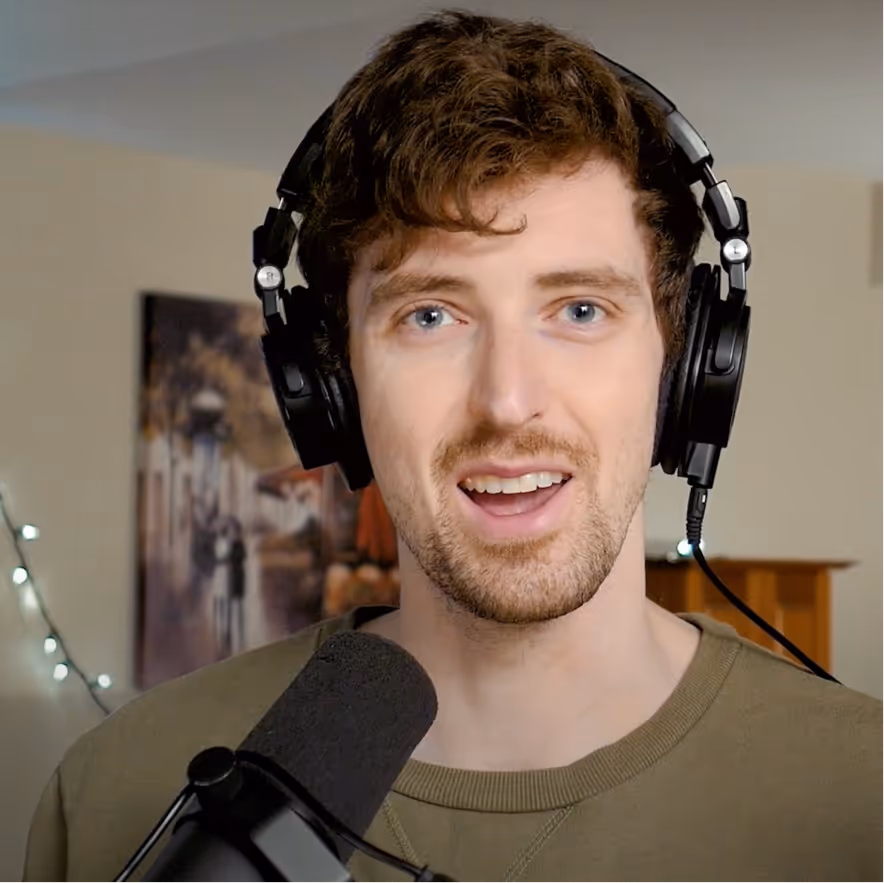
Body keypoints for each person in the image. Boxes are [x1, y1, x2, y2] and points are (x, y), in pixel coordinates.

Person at [22, 10, 884, 883]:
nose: (507, 401)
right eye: (430, 315)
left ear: (686, 359)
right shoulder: (114, 790)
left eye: (580, 310)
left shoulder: (862, 795)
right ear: (332, 379)